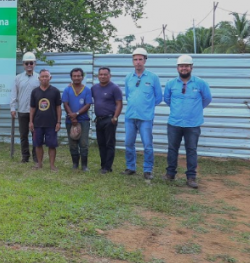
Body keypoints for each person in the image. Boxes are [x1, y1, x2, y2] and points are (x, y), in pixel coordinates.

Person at [163, 55, 212, 189]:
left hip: (193, 124)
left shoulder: (200, 83)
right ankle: (170, 174)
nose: (184, 68)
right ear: (177, 68)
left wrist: (194, 110)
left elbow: (207, 99)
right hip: (174, 123)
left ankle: (191, 177)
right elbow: (167, 99)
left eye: (186, 66)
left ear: (191, 67)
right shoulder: (171, 84)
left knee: (191, 150)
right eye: (181, 66)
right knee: (172, 149)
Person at [123, 48, 162, 179]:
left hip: (145, 118)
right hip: (130, 117)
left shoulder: (153, 77)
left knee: (147, 145)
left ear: (145, 60)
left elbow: (158, 97)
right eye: (135, 59)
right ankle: (130, 167)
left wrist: (147, 107)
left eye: (140, 59)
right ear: (132, 61)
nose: (138, 62)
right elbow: (128, 95)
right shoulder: (128, 77)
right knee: (129, 143)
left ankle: (147, 170)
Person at [91, 67, 123, 174]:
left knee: (109, 143)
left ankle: (108, 167)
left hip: (110, 119)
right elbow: (84, 95)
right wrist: (72, 86)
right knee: (101, 143)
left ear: (110, 75)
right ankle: (103, 165)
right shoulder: (94, 88)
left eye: (105, 74)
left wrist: (115, 117)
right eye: (101, 74)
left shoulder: (114, 88)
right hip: (99, 120)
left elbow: (119, 104)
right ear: (98, 76)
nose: (103, 76)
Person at [29, 69, 62, 171]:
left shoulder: (55, 91)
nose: (44, 78)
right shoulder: (35, 92)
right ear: (39, 78)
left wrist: (58, 122)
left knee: (52, 145)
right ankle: (39, 163)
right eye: (42, 76)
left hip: (51, 123)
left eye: (46, 76)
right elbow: (32, 108)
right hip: (38, 123)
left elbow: (58, 107)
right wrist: (31, 121)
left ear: (50, 78)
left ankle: (52, 165)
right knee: (38, 144)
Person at [10, 52, 40, 163]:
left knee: (35, 135)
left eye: (31, 63)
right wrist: (13, 108)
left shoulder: (39, 78)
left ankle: (36, 157)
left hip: (36, 112)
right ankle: (25, 157)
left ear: (34, 64)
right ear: (23, 64)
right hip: (22, 111)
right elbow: (14, 93)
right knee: (23, 135)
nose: (29, 65)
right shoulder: (18, 78)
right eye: (27, 63)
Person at [62, 68, 93, 171]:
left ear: (82, 77)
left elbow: (88, 104)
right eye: (74, 76)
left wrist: (77, 114)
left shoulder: (87, 90)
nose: (76, 78)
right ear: (71, 77)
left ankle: (84, 165)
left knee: (83, 143)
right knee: (72, 143)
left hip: (83, 120)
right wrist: (72, 116)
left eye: (79, 76)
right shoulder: (67, 90)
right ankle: (75, 164)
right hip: (70, 120)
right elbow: (65, 103)